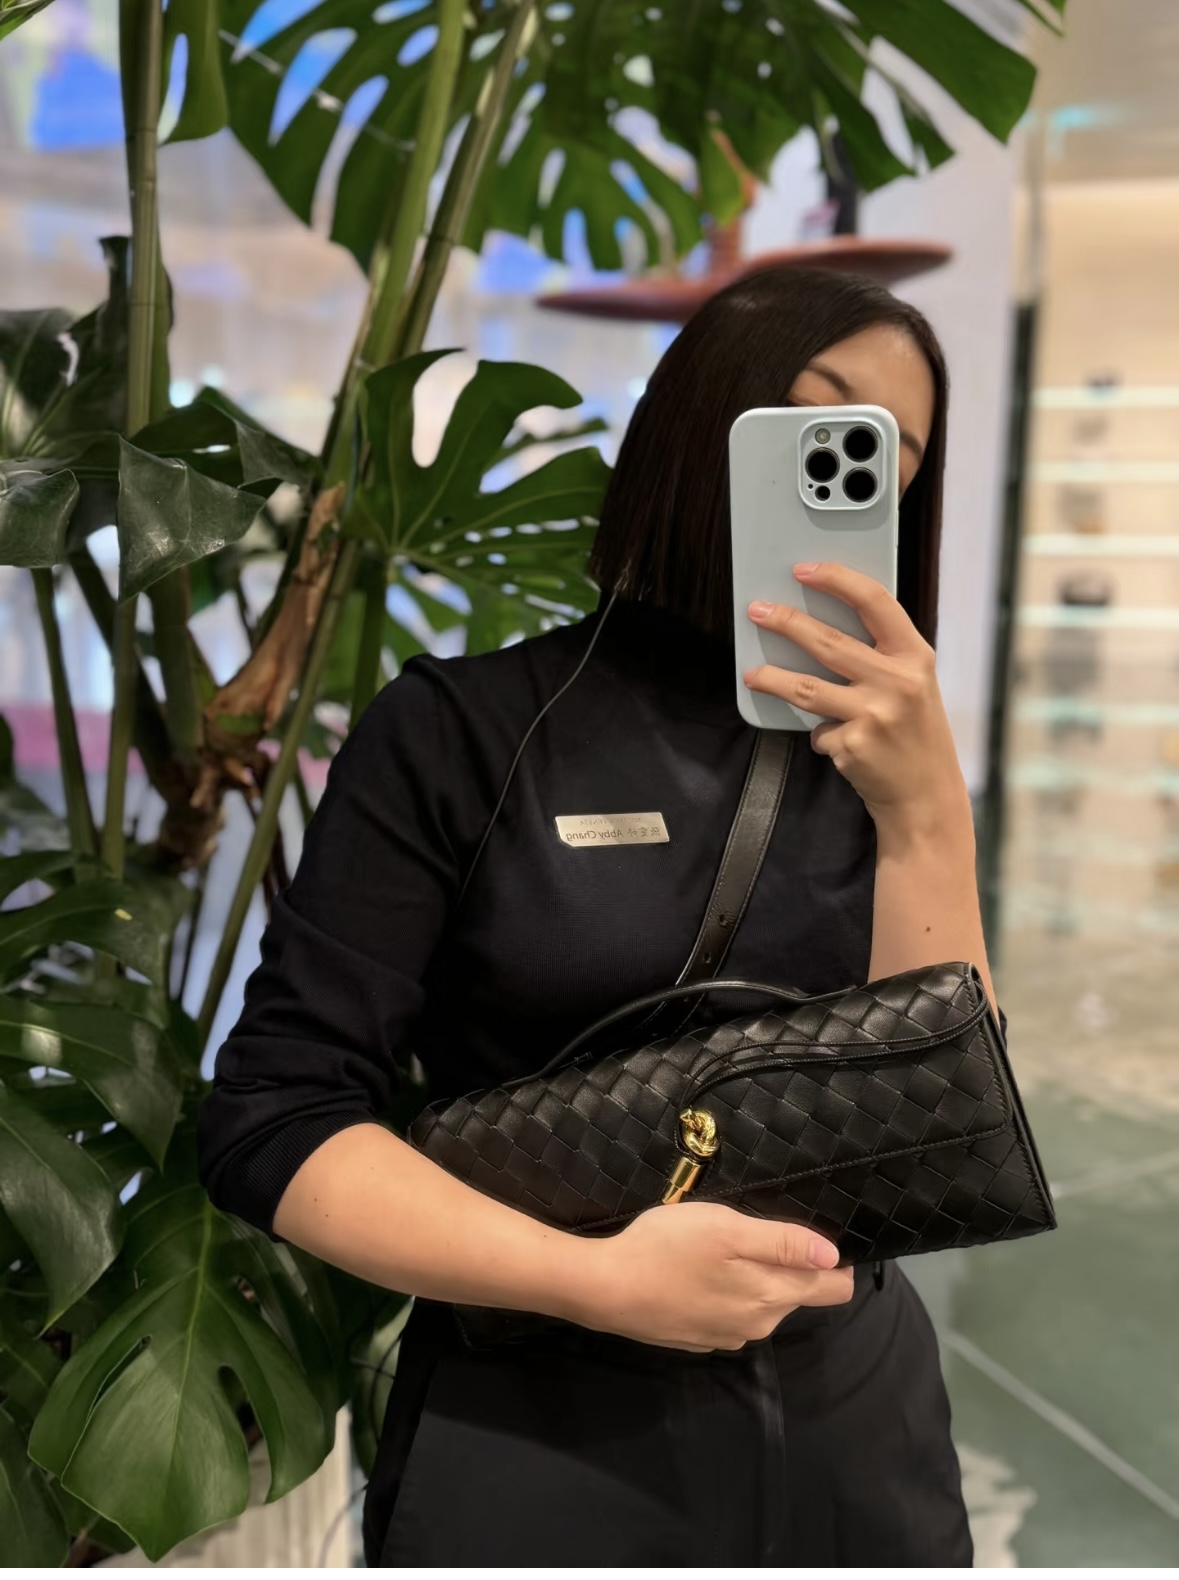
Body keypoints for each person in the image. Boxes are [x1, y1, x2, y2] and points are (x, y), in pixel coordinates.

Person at [198, 265, 1003, 1566]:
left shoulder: (883, 757)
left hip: (854, 1421)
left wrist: (927, 818)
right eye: (815, 422)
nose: (847, 475)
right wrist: (595, 1279)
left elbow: (936, 1122)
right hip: (537, 1420)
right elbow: (277, 1117)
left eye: (888, 459)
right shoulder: (464, 730)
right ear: (700, 422)